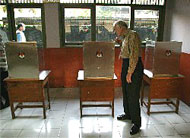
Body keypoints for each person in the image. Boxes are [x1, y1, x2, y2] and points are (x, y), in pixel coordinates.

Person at [113, 20, 143, 135]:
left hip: (134, 66)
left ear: (121, 28)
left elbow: (134, 55)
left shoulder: (133, 35)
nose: (115, 31)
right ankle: (128, 114)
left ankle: (136, 123)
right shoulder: (125, 37)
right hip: (127, 65)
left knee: (133, 94)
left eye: (116, 29)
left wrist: (130, 72)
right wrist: (120, 43)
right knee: (126, 91)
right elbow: (126, 51)